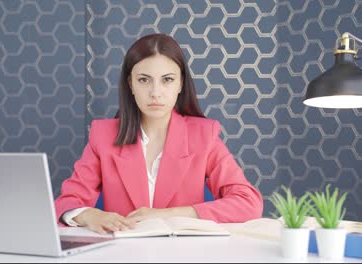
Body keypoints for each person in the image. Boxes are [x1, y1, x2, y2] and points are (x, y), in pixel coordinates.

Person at [55, 33, 263, 234]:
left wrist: (168, 215)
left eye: (167, 80)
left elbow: (248, 202)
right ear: (131, 84)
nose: (156, 92)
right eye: (144, 80)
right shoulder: (104, 135)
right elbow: (66, 201)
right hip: (122, 253)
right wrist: (90, 216)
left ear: (181, 83)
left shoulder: (203, 135)